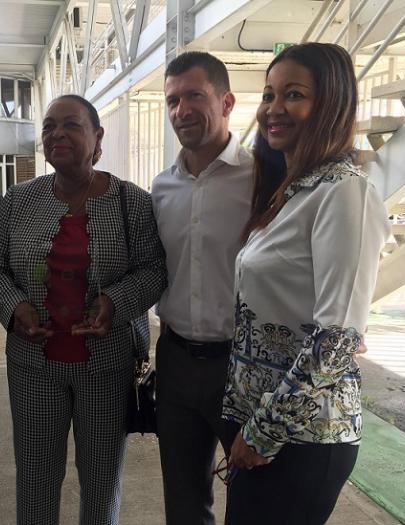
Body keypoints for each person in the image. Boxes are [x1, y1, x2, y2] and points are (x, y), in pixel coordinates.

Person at [0, 94, 166, 525]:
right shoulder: (18, 201)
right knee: (35, 479)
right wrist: (15, 307)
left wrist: (114, 302)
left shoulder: (133, 202)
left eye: (71, 125)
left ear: (97, 137)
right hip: (33, 367)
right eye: (48, 126)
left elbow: (154, 270)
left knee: (102, 482)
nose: (57, 134)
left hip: (108, 368)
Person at [222, 42, 390, 524]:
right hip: (256, 423)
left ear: (332, 103)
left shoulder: (345, 193)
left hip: (303, 436)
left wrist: (263, 434)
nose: (273, 108)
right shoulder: (293, 191)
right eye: (269, 95)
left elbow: (337, 339)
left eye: (293, 94)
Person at [150, 52, 252, 525]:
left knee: (254, 499)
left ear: (227, 102)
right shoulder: (162, 187)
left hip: (243, 364)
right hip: (175, 361)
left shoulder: (262, 179)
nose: (181, 110)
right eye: (172, 100)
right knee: (184, 503)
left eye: (194, 95)